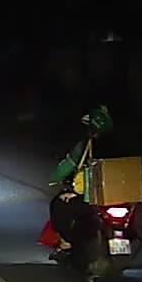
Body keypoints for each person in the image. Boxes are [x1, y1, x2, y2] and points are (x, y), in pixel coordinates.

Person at [47, 104, 113, 260]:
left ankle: (66, 243)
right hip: (120, 197)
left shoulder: (86, 146)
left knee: (59, 205)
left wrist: (55, 179)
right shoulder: (119, 146)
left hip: (92, 199)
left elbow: (68, 165)